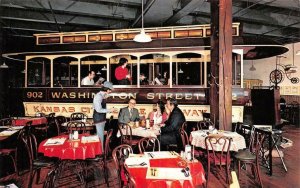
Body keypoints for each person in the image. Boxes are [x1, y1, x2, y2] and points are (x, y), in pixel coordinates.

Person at [93, 81, 117, 149]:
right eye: (110, 90)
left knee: (101, 137)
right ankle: (101, 153)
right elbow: (98, 110)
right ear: (107, 89)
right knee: (100, 137)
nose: (110, 91)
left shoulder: (102, 95)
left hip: (102, 118)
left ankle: (101, 152)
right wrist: (110, 110)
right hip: (99, 119)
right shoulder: (98, 96)